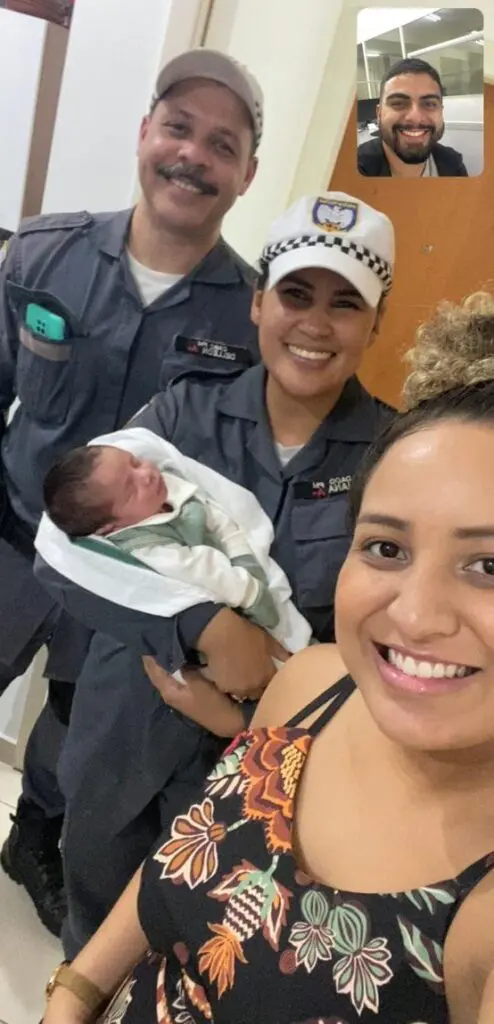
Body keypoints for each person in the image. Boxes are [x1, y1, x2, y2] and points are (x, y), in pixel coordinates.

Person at [43, 291, 494, 1024]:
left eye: (489, 566)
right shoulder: (317, 689)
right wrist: (77, 992)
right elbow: (199, 844)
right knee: (91, 855)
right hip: (138, 720)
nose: (414, 614)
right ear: (258, 305)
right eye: (386, 548)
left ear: (376, 321)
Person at [35, 188, 395, 958]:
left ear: (376, 322)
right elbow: (63, 554)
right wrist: (198, 623)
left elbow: (381, 639)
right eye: (295, 294)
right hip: (122, 733)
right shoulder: (176, 419)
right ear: (259, 302)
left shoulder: (392, 460)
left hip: (255, 767)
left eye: (345, 304)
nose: (315, 324)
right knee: (90, 932)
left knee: (201, 959)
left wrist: (248, 710)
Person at [0, 46, 262, 935]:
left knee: (72, 728)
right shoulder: (43, 254)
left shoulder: (253, 318)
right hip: (9, 541)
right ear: (144, 134)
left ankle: (32, 836)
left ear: (245, 175)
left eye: (222, 144)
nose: (193, 155)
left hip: (127, 587)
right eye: (179, 128)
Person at [39, 429, 312, 650]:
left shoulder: (166, 488)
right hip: (227, 597)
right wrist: (249, 593)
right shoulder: (146, 546)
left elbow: (216, 515)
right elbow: (201, 569)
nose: (145, 474)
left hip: (240, 566)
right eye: (130, 489)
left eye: (134, 462)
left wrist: (242, 554)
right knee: (277, 643)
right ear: (109, 527)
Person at [358, 57, 468, 178]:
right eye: (398, 103)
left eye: (429, 104)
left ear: (441, 112)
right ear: (379, 113)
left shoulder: (453, 164)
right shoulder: (351, 169)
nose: (415, 117)